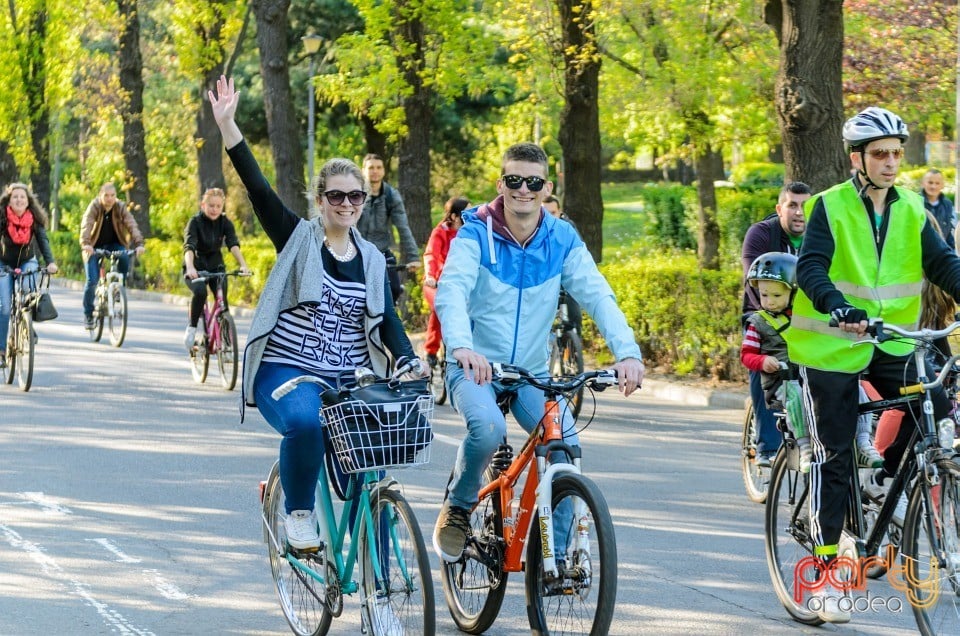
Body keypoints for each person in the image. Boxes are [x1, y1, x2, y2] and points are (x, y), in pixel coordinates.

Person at [208, 75, 423, 556]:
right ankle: (298, 514)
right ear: (320, 199)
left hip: (346, 376)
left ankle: (378, 590)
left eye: (355, 197)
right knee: (307, 424)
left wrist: (408, 358)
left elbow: (386, 320)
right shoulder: (299, 238)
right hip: (287, 372)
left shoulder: (370, 258)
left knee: (372, 470)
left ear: (363, 202)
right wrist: (228, 127)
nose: (346, 204)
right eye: (336, 196)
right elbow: (259, 189)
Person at [786, 106, 960, 624]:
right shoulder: (829, 206)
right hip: (832, 348)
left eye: (896, 153)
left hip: (892, 345)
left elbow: (942, 264)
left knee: (936, 405)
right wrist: (836, 304)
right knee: (834, 456)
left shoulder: (910, 208)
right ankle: (823, 575)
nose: (890, 162)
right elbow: (811, 265)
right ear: (857, 158)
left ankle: (886, 478)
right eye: (880, 153)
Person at [432, 142, 644, 563]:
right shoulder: (475, 231)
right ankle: (458, 505)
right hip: (474, 366)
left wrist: (628, 353)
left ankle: (558, 559)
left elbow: (598, 295)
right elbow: (452, 290)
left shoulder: (561, 238)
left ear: (547, 187)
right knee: (489, 429)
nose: (523, 190)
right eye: (514, 181)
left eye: (532, 182)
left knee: (563, 445)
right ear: (501, 184)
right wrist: (461, 347)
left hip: (530, 372)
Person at [740, 253, 881, 476]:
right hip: (783, 383)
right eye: (764, 294)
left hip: (812, 374)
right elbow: (747, 354)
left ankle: (863, 442)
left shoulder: (806, 319)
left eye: (776, 295)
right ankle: (805, 447)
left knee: (857, 390)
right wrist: (763, 361)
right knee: (797, 395)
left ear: (795, 292)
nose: (769, 301)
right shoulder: (758, 323)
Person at [740, 181, 812, 466]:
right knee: (763, 360)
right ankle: (767, 444)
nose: (799, 212)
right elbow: (754, 281)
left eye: (805, 206)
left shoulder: (819, 236)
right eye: (792, 205)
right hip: (764, 312)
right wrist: (774, 320)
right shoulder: (761, 234)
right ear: (779, 208)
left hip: (805, 318)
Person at [182, 187, 251, 352]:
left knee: (223, 303)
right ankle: (192, 328)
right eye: (211, 205)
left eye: (218, 206)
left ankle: (226, 345)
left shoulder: (225, 223)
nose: (215, 209)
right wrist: (190, 267)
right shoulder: (195, 222)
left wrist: (243, 264)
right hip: (196, 266)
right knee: (200, 292)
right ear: (203, 205)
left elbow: (233, 244)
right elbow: (189, 246)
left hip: (216, 266)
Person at [0, 183, 58, 367]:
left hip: (27, 261)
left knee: (29, 290)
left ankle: (27, 324)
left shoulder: (34, 219)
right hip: (3, 263)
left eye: (22, 197)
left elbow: (43, 241)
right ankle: (1, 350)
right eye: (15, 196)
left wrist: (50, 262)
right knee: (5, 306)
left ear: (28, 201)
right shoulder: (2, 217)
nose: (19, 199)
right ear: (9, 201)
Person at [79, 182, 145, 329]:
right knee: (92, 280)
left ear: (116, 196)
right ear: (100, 196)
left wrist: (139, 243)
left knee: (124, 256)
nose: (109, 199)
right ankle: (88, 314)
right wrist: (86, 243)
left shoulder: (120, 207)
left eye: (112, 195)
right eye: (106, 195)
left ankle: (118, 288)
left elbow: (131, 224)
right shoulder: (94, 207)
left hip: (114, 244)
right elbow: (87, 224)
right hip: (93, 246)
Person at [357, 153, 420, 305]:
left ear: (384, 171)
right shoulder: (354, 194)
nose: (375, 171)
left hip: (382, 251)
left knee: (394, 289)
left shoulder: (391, 196)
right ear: (363, 170)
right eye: (371, 167)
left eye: (379, 167)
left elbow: (403, 227)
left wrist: (413, 257)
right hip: (357, 251)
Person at [422, 196, 468, 367]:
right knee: (440, 306)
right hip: (437, 282)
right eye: (465, 213)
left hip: (459, 283)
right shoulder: (440, 232)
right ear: (455, 216)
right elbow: (431, 254)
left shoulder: (469, 233)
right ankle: (431, 350)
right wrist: (430, 275)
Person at [542, 194, 584, 337]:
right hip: (542, 280)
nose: (550, 217)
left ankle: (574, 348)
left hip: (564, 277)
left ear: (560, 212)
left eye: (553, 213)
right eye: (545, 213)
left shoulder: (568, 228)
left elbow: (578, 254)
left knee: (574, 316)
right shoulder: (532, 229)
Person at [920, 168, 956, 251]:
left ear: (942, 185)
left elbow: (950, 233)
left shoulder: (948, 204)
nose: (933, 186)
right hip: (922, 252)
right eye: (930, 182)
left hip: (942, 253)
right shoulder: (916, 202)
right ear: (923, 183)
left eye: (937, 183)